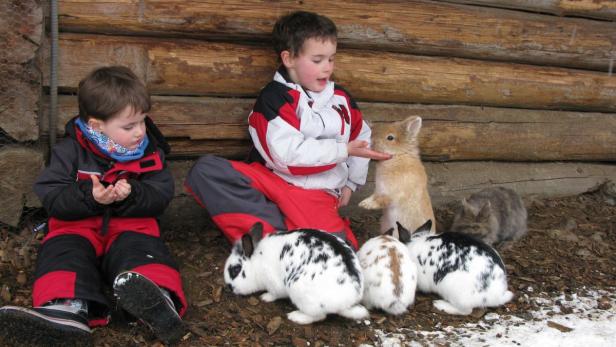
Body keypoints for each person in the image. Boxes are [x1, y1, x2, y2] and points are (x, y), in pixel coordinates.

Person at [0, 66, 187, 346]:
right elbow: (52, 196)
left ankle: (157, 299)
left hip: (131, 224)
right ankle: (65, 309)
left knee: (140, 249)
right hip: (77, 224)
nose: (140, 132)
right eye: (129, 126)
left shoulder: (150, 153)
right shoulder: (69, 151)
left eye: (142, 121)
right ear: (97, 125)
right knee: (64, 251)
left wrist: (134, 194)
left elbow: (161, 194)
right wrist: (89, 197)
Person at [185, 11, 391, 249]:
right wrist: (342, 150)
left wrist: (351, 183)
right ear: (289, 58)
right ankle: (276, 241)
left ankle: (292, 240)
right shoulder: (274, 98)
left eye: (331, 59)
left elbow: (361, 138)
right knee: (206, 171)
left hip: (317, 192)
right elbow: (286, 157)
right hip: (273, 181)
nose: (327, 68)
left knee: (337, 251)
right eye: (317, 60)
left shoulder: (341, 99)